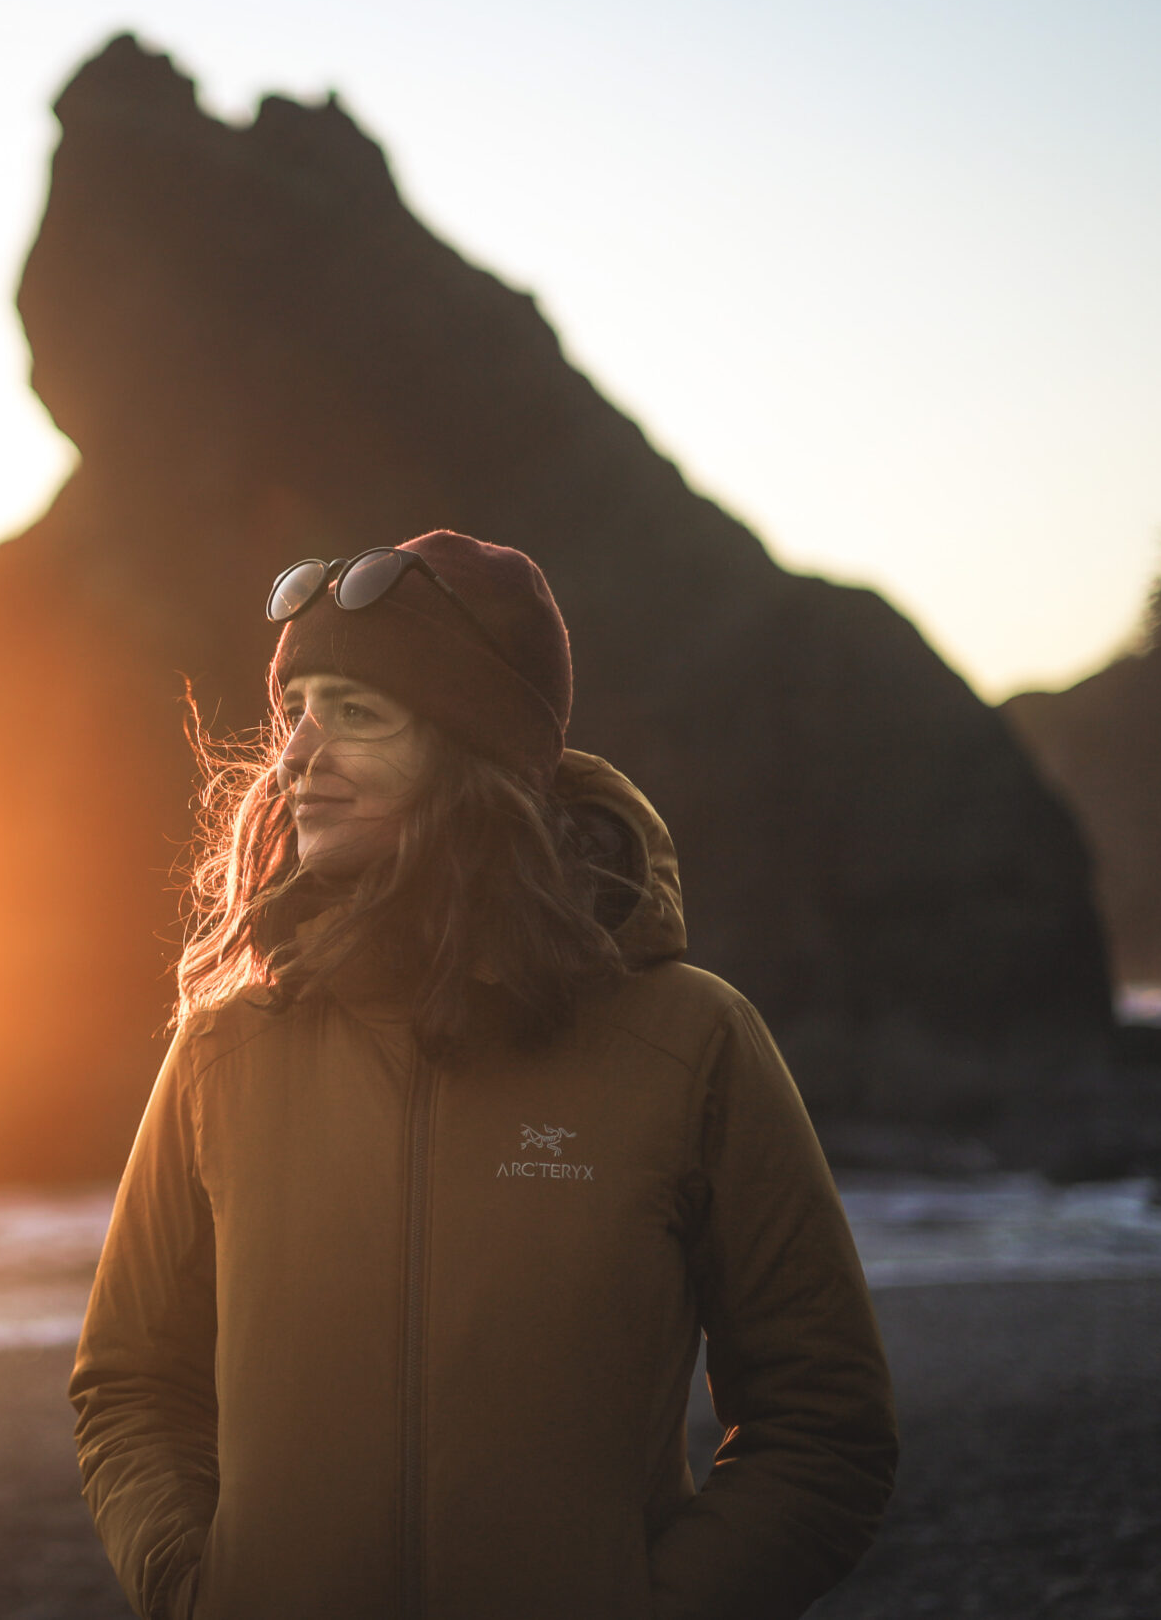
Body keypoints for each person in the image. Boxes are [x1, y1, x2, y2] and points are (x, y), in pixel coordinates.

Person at [71, 531, 897, 1620]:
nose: (299, 755)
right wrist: (194, 1589)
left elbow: (822, 1420)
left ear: (476, 757)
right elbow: (130, 1386)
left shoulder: (688, 1042)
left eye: (356, 713)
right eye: (300, 708)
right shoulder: (224, 1050)